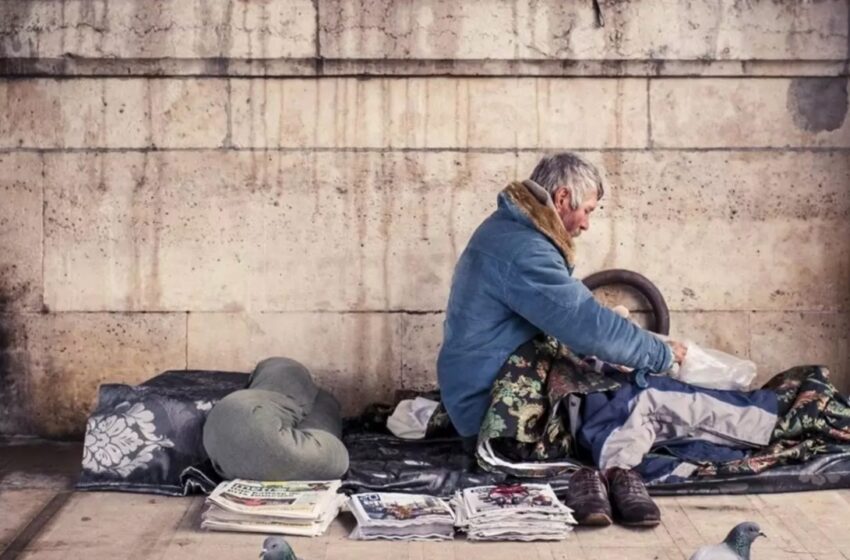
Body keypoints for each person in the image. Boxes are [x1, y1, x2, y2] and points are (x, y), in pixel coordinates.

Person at [437, 152, 687, 527]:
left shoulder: (510, 229)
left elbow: (567, 317)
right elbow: (587, 324)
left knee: (604, 387)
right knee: (630, 403)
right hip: (487, 409)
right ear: (562, 198)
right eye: (587, 210)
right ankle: (611, 469)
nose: (586, 224)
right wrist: (660, 353)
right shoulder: (523, 249)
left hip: (477, 382)